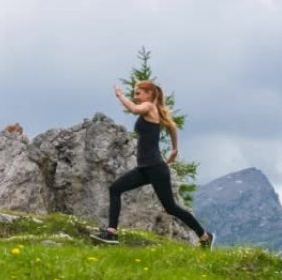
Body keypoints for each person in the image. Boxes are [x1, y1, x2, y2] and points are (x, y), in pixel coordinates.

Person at [90, 80, 215, 249]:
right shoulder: (153, 112)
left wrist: (120, 96)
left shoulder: (149, 107)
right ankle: (111, 233)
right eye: (134, 94)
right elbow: (172, 127)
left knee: (171, 208)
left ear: (149, 94)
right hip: (144, 169)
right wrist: (174, 149)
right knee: (115, 189)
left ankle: (205, 236)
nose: (135, 97)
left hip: (156, 168)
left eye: (138, 93)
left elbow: (134, 110)